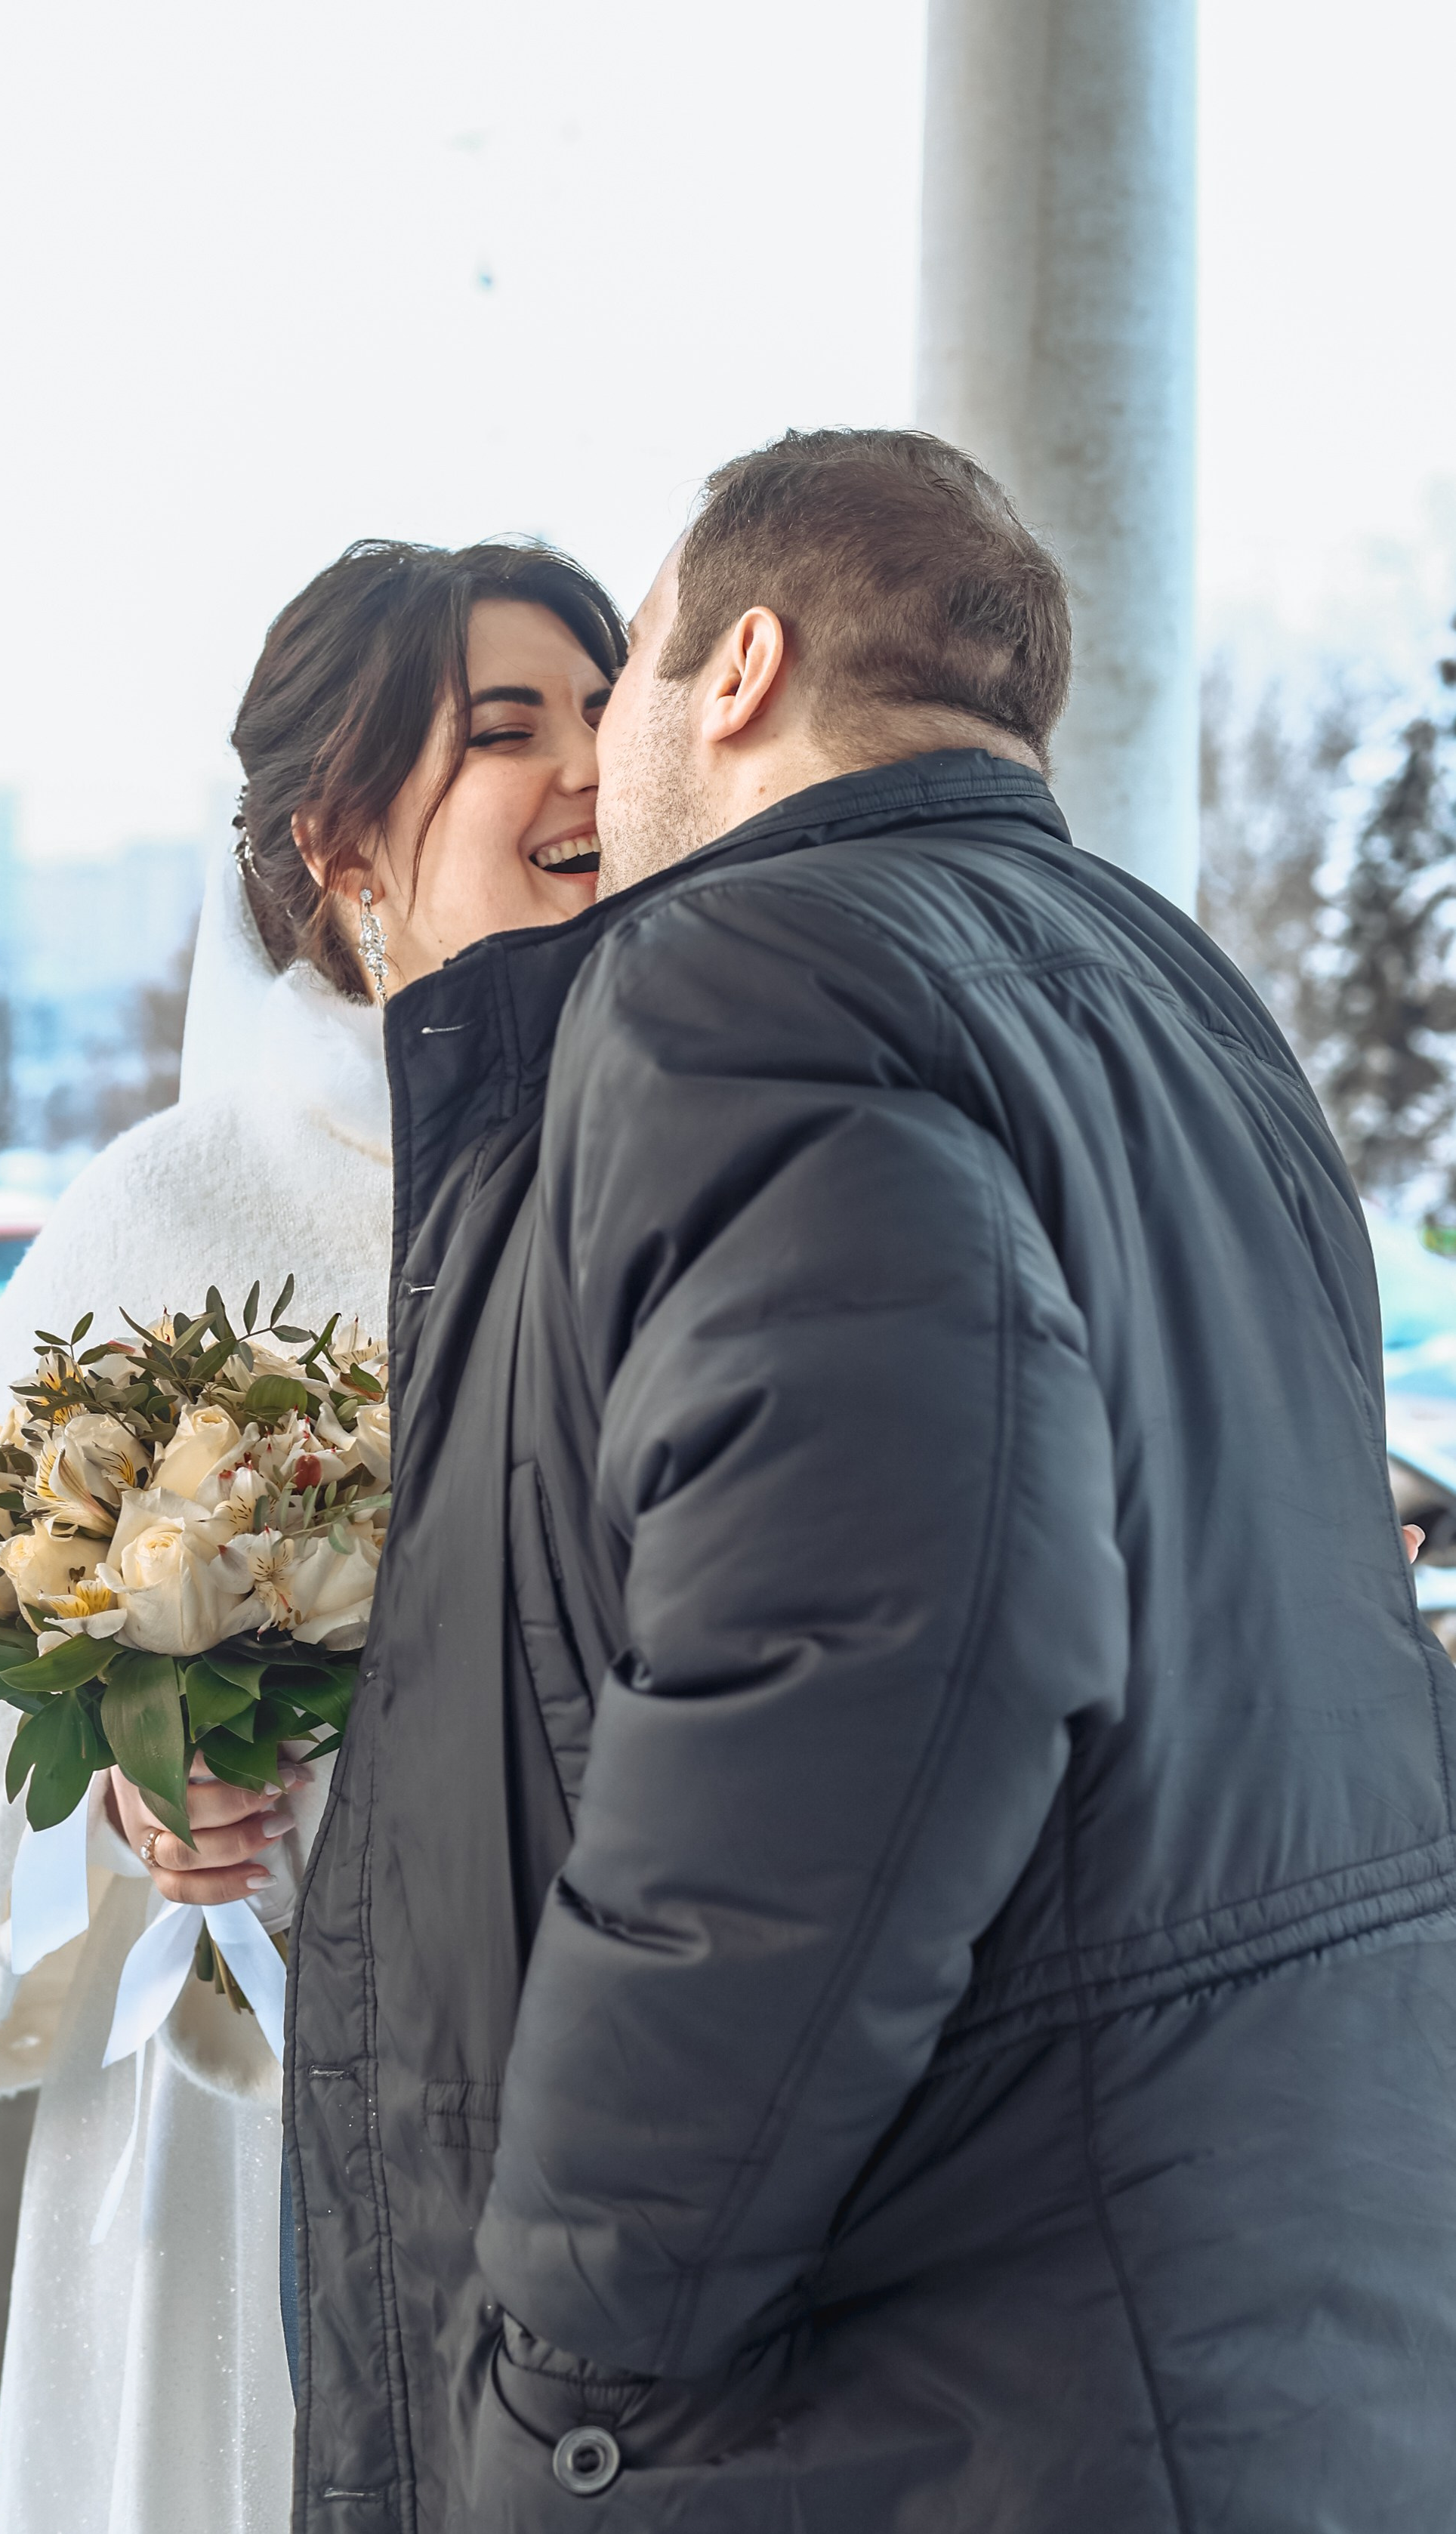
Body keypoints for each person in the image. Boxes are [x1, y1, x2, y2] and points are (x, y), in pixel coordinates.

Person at [283, 429, 1456, 2531]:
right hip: (1249, 2323)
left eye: (623, 671)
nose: (601, 743)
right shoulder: (1184, 1008)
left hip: (919, 2395)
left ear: (733, 671)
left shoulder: (734, 978)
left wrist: (568, 2342)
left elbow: (857, 1665)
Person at [0, 536, 623, 2534]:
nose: (591, 771)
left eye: (608, 712)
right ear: (339, 834)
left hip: (599, 2083)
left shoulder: (677, 1160)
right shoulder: (174, 1205)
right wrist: (115, 1792)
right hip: (246, 2141)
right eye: (509, 728)